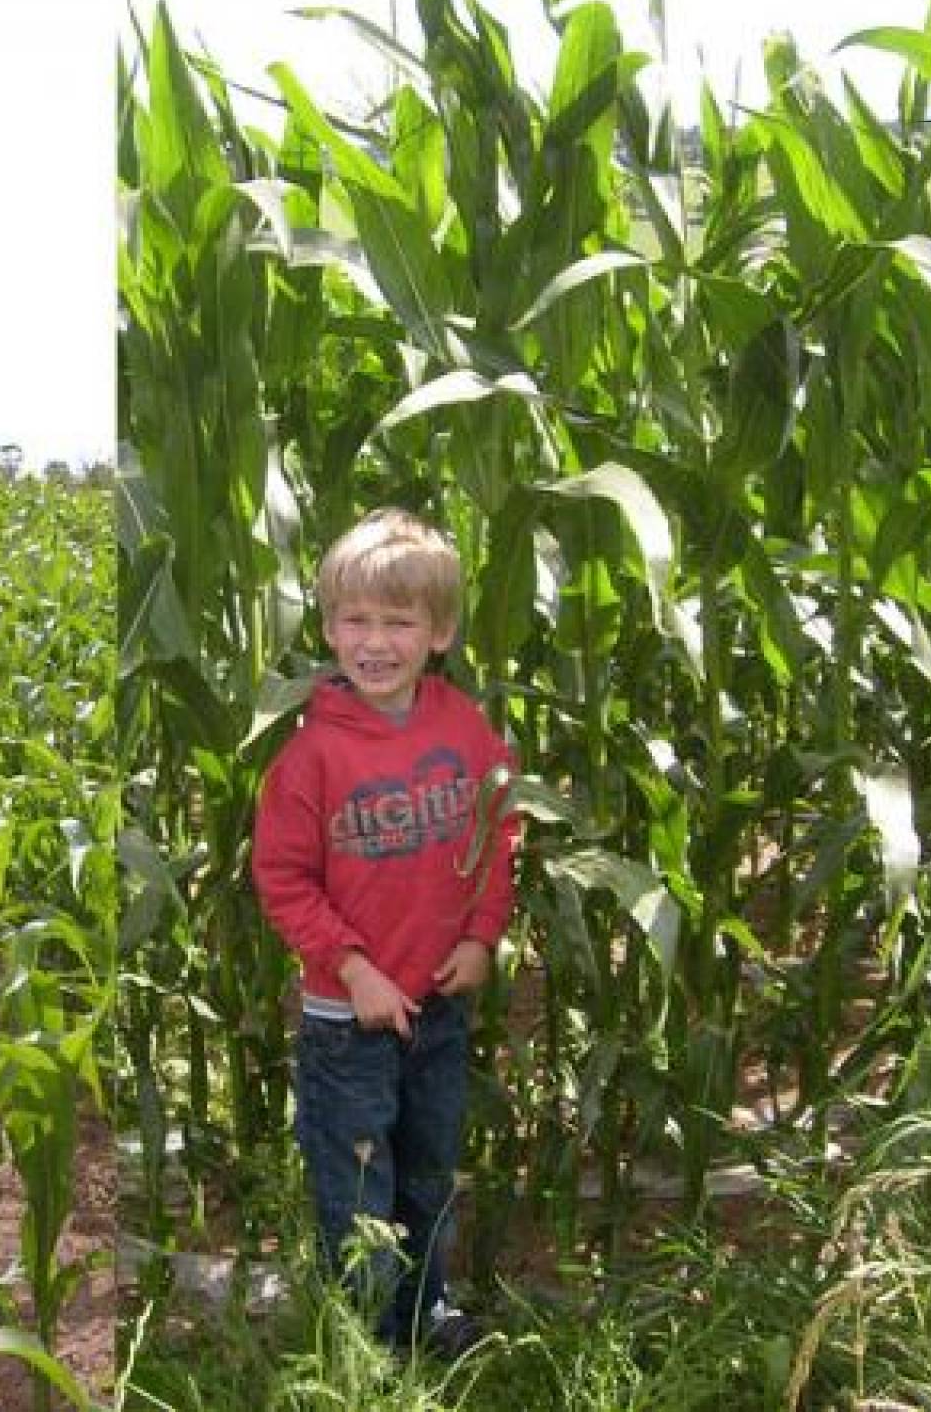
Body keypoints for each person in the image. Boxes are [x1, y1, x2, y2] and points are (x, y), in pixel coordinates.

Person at [252, 508, 520, 1359]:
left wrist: (482, 936)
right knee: (359, 1184)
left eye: (398, 622)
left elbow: (497, 833)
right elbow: (283, 880)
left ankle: (427, 1311)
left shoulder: (465, 729)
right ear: (328, 627)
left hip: (438, 1008)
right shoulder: (310, 759)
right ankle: (370, 1338)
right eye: (356, 621)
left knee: (431, 1170)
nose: (375, 641)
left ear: (438, 633)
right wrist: (352, 968)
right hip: (349, 1023)